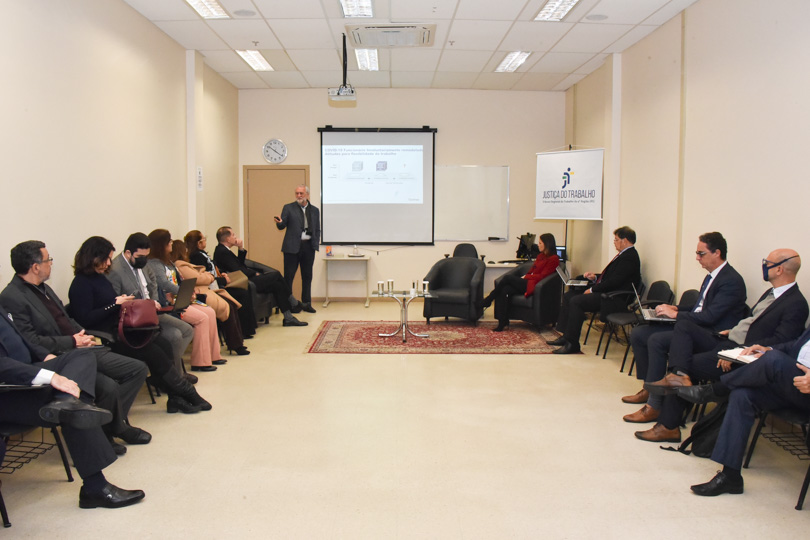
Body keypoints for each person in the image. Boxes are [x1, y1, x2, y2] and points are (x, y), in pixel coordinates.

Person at [634, 249, 807, 442]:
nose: (764, 265)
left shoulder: (796, 303)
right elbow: (751, 320)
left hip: (744, 355)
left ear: (780, 269)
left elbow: (781, 342)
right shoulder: (770, 293)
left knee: (685, 364)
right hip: (728, 339)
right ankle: (676, 381)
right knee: (684, 327)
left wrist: (737, 352)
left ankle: (668, 425)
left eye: (767, 262)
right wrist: (732, 330)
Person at [0, 240, 151, 454]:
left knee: (135, 369)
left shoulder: (44, 288)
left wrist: (84, 335)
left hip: (78, 348)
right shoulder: (12, 297)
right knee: (111, 385)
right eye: (48, 260)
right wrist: (73, 342)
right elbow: (31, 340)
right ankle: (113, 429)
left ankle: (108, 429)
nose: (51, 263)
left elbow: (67, 319)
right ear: (35, 267)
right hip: (59, 355)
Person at [0, 307, 145, 509]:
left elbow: (24, 341)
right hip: (7, 392)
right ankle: (95, 487)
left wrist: (47, 358)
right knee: (75, 411)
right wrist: (51, 376)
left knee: (81, 357)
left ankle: (66, 401)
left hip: (27, 374)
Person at [68, 236, 210, 413]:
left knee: (164, 344)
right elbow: (85, 318)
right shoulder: (80, 284)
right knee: (154, 353)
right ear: (94, 257)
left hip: (123, 328)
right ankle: (186, 392)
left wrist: (123, 303)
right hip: (108, 335)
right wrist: (115, 304)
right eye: (106, 258)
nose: (109, 263)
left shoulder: (100, 278)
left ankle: (176, 398)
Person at [622, 232, 747, 424]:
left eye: (701, 253)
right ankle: (649, 387)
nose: (697, 258)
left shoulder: (731, 281)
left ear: (717, 253)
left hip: (712, 336)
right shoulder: (712, 276)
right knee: (640, 333)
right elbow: (699, 308)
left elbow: (711, 316)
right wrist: (676, 308)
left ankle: (654, 405)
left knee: (656, 340)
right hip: (694, 329)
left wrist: (677, 315)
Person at [675, 329, 810, 496]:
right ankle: (730, 476)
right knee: (742, 395)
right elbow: (796, 344)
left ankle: (716, 390)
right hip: (792, 385)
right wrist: (768, 349)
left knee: (773, 360)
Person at [107, 232, 196, 380]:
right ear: (128, 253)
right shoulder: (116, 270)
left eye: (146, 256)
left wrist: (154, 301)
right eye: (140, 257)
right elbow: (116, 301)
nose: (144, 260)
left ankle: (170, 373)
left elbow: (153, 284)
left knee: (187, 330)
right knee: (174, 336)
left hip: (152, 312)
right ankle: (175, 377)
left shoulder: (144, 263)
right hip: (134, 319)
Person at [549, 226, 641, 354]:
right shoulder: (624, 255)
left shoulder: (629, 258)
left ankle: (572, 343)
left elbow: (615, 282)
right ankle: (566, 336)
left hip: (614, 298)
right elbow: (612, 278)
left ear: (624, 240)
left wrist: (593, 290)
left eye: (616, 240)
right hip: (608, 293)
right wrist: (595, 277)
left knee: (577, 301)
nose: (614, 242)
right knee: (569, 296)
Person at [146, 229, 226, 372]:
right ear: (161, 244)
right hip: (171, 303)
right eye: (169, 241)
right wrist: (186, 292)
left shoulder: (168, 261)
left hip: (181, 298)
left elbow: (180, 279)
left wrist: (190, 292)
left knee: (210, 312)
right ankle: (200, 361)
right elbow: (164, 284)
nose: (171, 243)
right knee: (201, 318)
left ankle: (213, 355)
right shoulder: (154, 263)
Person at [213, 226, 307, 327]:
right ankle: (294, 302)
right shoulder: (222, 252)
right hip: (245, 281)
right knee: (276, 274)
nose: (235, 237)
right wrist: (254, 273)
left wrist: (240, 248)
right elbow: (238, 270)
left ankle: (288, 318)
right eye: (233, 235)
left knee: (277, 285)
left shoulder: (224, 250)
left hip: (246, 278)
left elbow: (239, 264)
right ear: (227, 239)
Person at [171, 239, 248, 355]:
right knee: (227, 308)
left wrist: (207, 275)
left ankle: (236, 343)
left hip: (206, 290)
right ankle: (236, 344)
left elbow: (201, 276)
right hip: (201, 293)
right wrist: (209, 276)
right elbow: (199, 278)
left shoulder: (184, 264)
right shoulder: (180, 265)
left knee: (231, 305)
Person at [185, 229, 257, 339]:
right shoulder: (197, 257)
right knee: (240, 295)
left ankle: (246, 329)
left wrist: (221, 276)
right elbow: (204, 277)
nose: (206, 241)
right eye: (204, 239)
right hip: (210, 289)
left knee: (243, 291)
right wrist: (223, 280)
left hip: (216, 284)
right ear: (199, 243)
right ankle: (243, 331)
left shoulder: (203, 254)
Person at [481, 233, 560, 332]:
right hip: (528, 282)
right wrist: (527, 276)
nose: (538, 245)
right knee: (504, 290)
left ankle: (488, 300)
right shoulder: (540, 256)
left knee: (507, 278)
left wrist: (526, 276)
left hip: (536, 285)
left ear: (547, 244)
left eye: (540, 243)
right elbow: (532, 269)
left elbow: (543, 276)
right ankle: (502, 322)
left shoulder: (554, 259)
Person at [274, 184, 320, 313]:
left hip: (308, 247)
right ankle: (290, 304)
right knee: (289, 277)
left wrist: (316, 242)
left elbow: (317, 228)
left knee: (307, 276)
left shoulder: (315, 210)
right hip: (292, 247)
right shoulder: (288, 208)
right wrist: (279, 223)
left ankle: (306, 303)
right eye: (297, 193)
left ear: (307, 195)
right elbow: (282, 225)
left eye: (301, 193)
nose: (299, 196)